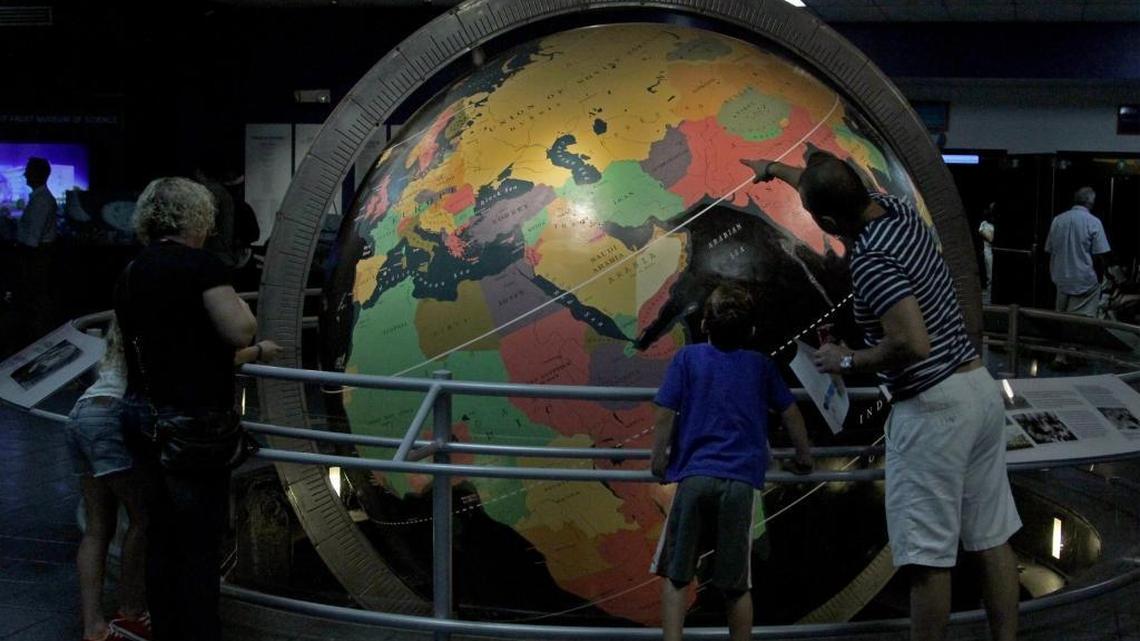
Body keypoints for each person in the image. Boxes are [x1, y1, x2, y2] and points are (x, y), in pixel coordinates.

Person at [742, 152, 1021, 641]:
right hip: (977, 390)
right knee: (992, 538)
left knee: (927, 559)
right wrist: (775, 171)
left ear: (827, 222)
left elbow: (912, 342)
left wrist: (845, 360)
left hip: (934, 411)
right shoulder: (898, 210)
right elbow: (833, 187)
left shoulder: (872, 262)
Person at [113, 177, 271, 641]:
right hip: (193, 422)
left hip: (143, 414)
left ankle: (166, 628)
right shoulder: (199, 266)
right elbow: (240, 331)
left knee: (160, 534)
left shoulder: (133, 270)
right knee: (199, 542)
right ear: (198, 218)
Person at [649, 284, 814, 641]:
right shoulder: (761, 366)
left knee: (677, 576)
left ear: (706, 323)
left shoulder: (686, 359)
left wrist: (657, 459)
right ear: (751, 330)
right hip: (740, 483)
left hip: (693, 478)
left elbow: (664, 413)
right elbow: (791, 413)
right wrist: (803, 456)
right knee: (736, 584)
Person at [65, 320, 151, 641]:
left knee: (97, 526)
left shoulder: (118, 333)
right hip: (112, 417)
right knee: (143, 518)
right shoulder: (150, 327)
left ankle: (94, 627)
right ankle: (131, 612)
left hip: (82, 413)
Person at [15, 157, 58, 342]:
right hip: (35, 256)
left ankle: (36, 340)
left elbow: (33, 238)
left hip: (35, 257)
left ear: (35, 174)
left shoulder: (42, 201)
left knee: (35, 300)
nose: (24, 174)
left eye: (28, 171)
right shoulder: (40, 199)